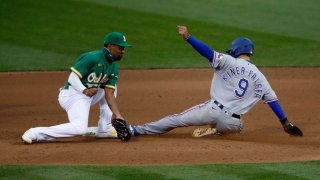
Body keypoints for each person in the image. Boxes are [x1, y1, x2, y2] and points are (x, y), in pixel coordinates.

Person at [127, 25, 302, 138]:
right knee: (238, 128)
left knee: (176, 120)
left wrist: (189, 38)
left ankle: (137, 130)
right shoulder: (262, 78)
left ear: (236, 50)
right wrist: (285, 123)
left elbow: (208, 52)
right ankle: (216, 131)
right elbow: (273, 102)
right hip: (233, 123)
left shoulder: (229, 61)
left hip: (212, 111)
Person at [21, 32, 131, 144]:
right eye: (121, 47)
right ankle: (35, 133)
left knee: (111, 87)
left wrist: (118, 116)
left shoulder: (113, 67)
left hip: (89, 95)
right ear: (110, 46)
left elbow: (109, 93)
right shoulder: (92, 57)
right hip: (73, 95)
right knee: (79, 128)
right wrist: (84, 90)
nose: (123, 51)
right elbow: (72, 78)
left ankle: (105, 128)